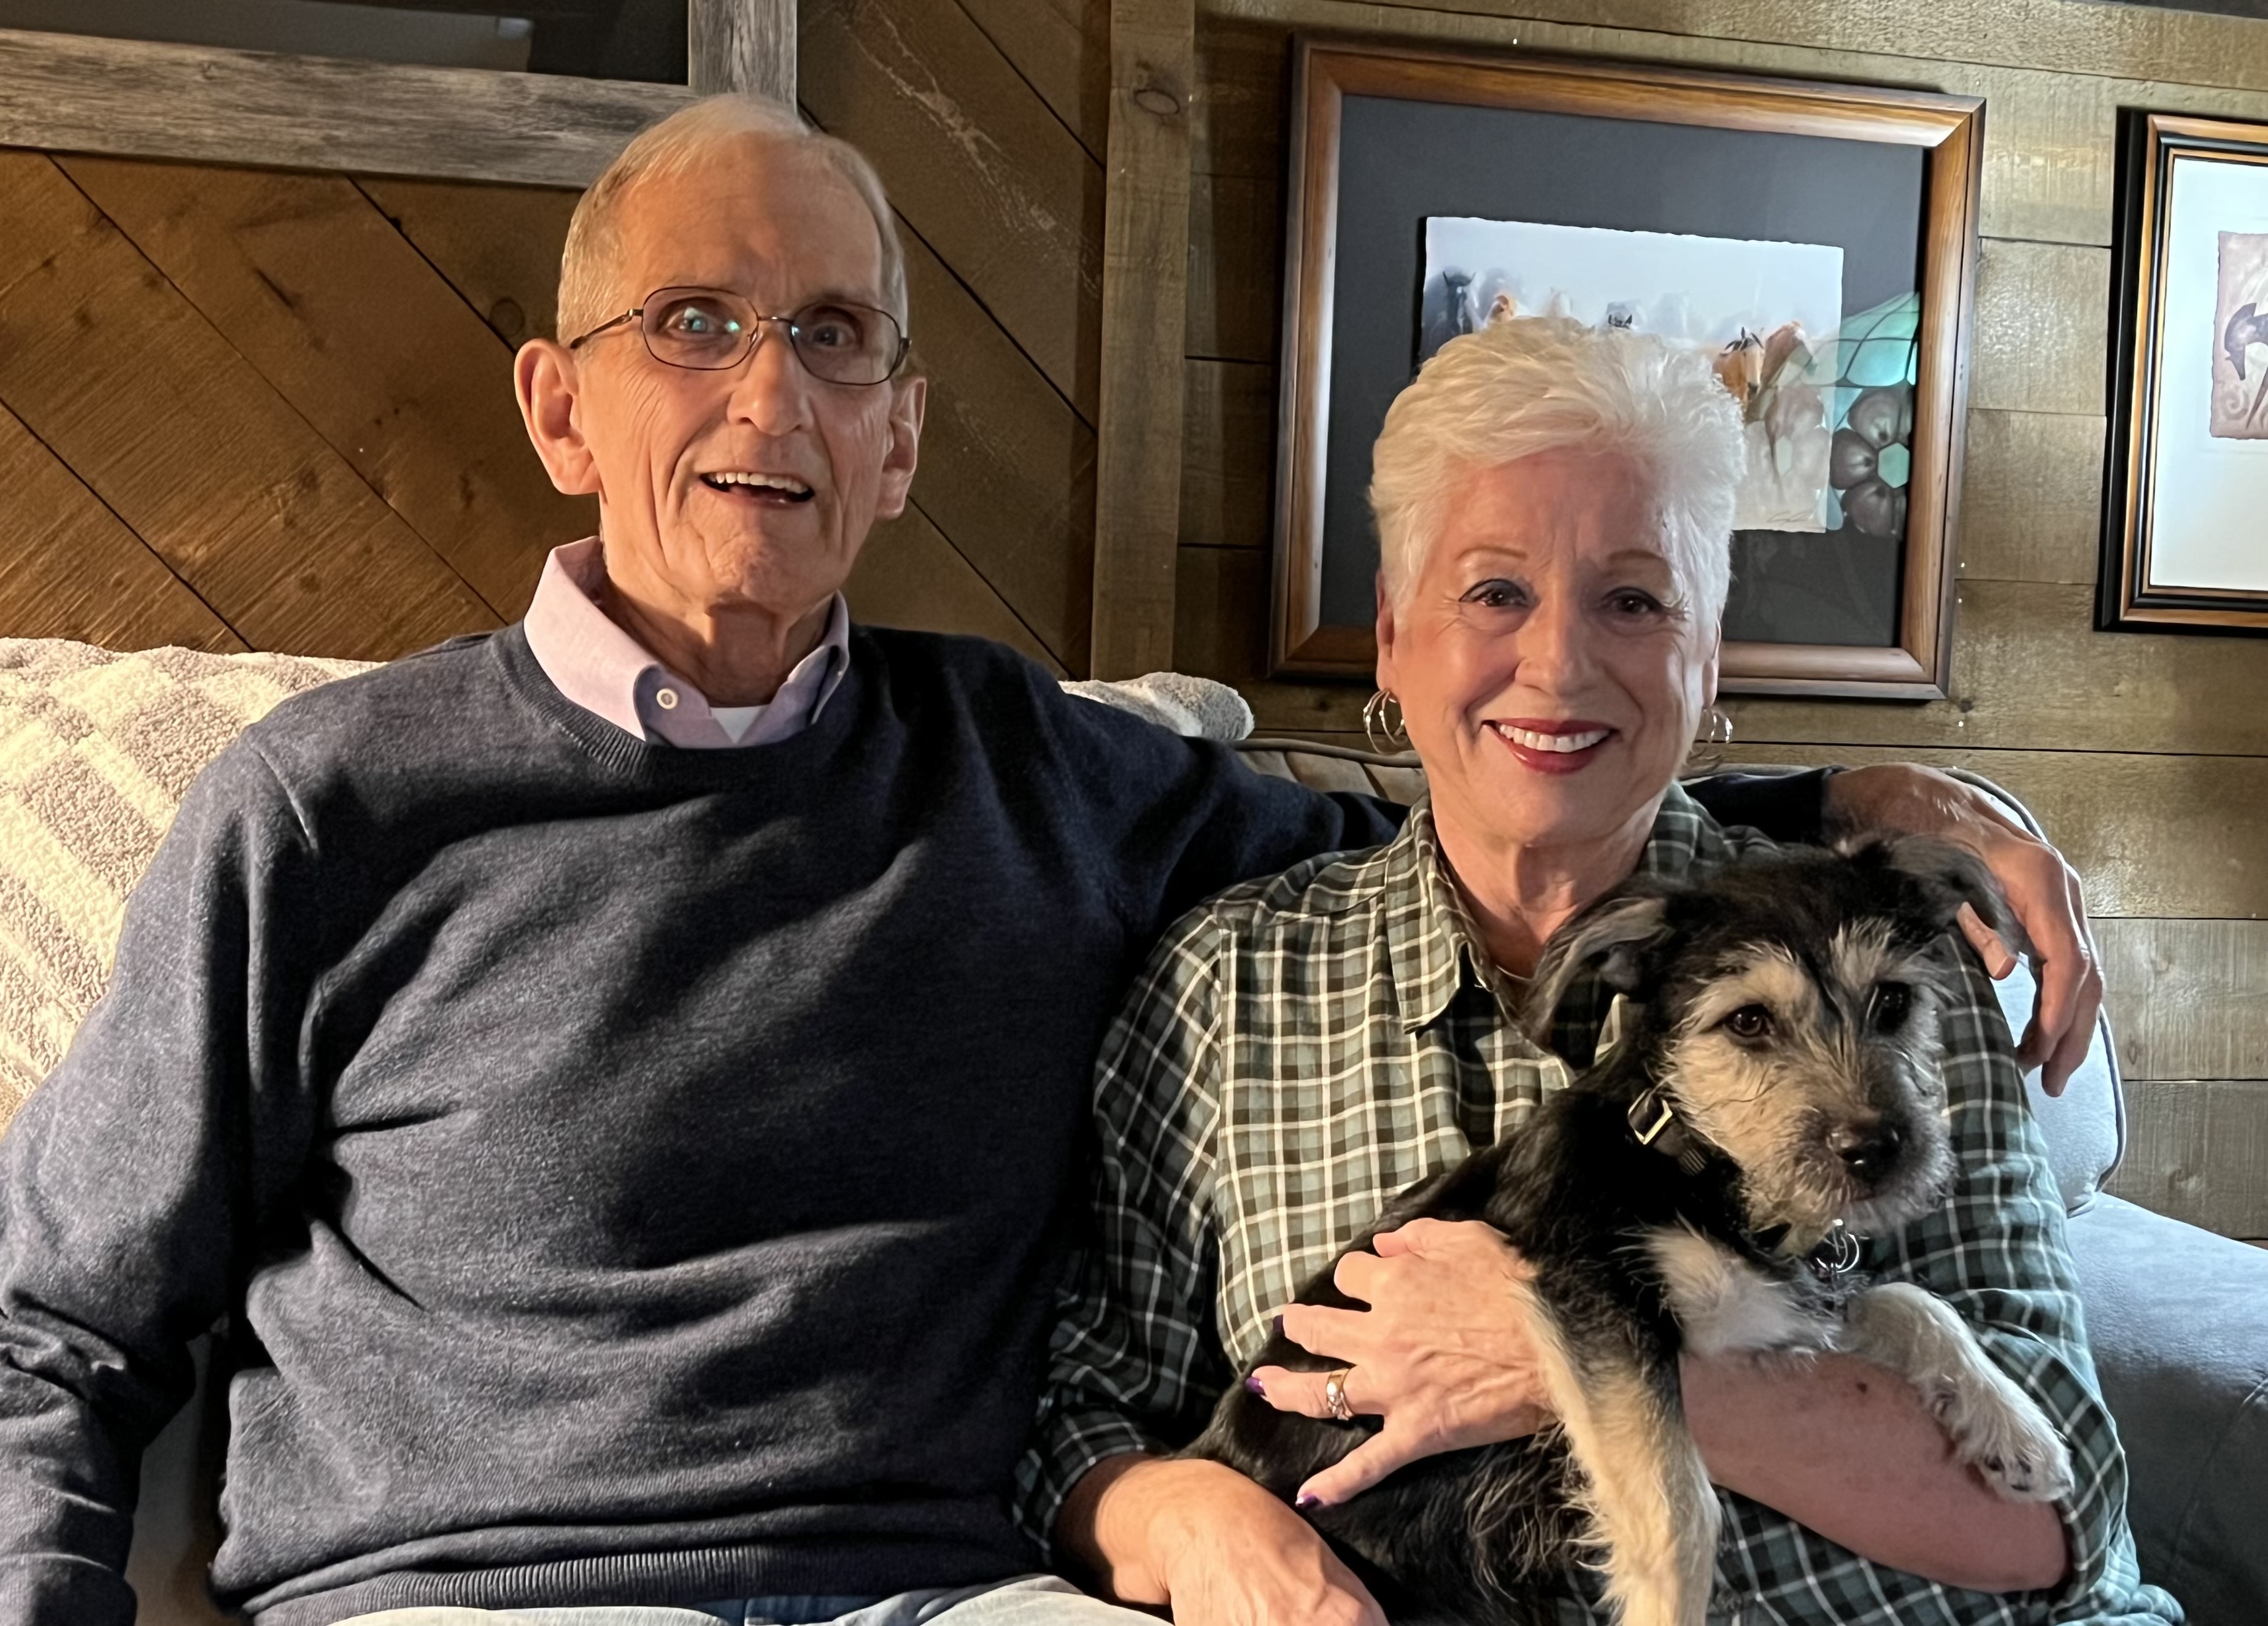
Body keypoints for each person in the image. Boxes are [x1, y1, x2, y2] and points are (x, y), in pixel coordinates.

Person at [0, 96, 2102, 1626]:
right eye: (694, 325)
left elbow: (1489, 793)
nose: (772, 393)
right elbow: (49, 1332)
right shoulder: (327, 804)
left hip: (947, 1599)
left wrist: (1841, 816)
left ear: (903, 434)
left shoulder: (1026, 765)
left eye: (834, 335)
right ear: (558, 405)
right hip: (480, 1597)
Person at [1031, 319, 2180, 1626]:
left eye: (1635, 598)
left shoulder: (1900, 968)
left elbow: (2060, 1517)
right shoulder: (1230, 989)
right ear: (1394, 643)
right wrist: (1195, 1513)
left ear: (1710, 651)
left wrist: (1552, 1348)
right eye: (1495, 592)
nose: (1562, 662)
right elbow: (1075, 1413)